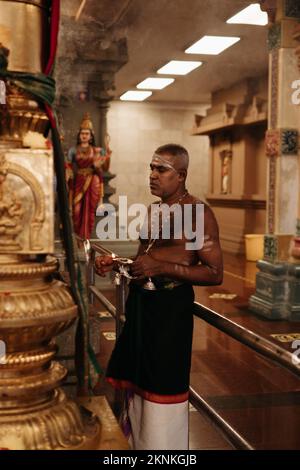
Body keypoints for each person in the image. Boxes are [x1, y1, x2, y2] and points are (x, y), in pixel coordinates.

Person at [95, 144, 223, 450]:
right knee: (137, 395)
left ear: (180, 175)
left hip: (169, 316)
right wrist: (117, 262)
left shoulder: (197, 213)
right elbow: (146, 261)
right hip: (143, 311)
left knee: (161, 396)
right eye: (151, 169)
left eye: (161, 169)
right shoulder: (154, 210)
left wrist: (162, 266)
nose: (152, 176)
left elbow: (214, 273)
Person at [66, 113, 110, 240]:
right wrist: (67, 172)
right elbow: (68, 165)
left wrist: (101, 161)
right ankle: (78, 239)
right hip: (78, 181)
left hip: (92, 182)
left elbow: (103, 168)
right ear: (79, 135)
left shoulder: (97, 151)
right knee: (77, 211)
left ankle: (86, 239)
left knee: (90, 212)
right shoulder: (73, 150)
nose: (84, 136)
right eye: (82, 133)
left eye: (87, 134)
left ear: (91, 136)